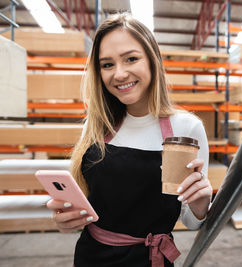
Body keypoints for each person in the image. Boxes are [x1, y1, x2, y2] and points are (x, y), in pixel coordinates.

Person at [46, 12, 212, 267]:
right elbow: (86, 201)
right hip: (92, 258)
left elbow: (191, 221)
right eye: (107, 64)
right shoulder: (97, 123)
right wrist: (65, 218)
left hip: (151, 260)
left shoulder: (185, 128)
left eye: (131, 59)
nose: (119, 74)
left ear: (152, 60)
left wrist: (201, 203)